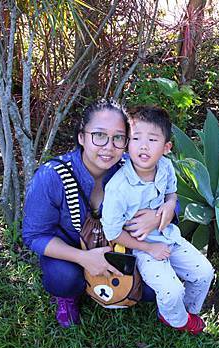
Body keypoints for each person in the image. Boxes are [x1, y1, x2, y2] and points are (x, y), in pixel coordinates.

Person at [22, 99, 178, 328]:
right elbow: (34, 236)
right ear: (82, 137)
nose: (108, 147)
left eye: (118, 138)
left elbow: (171, 199)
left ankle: (113, 284)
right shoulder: (51, 176)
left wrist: (159, 215)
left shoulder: (132, 167)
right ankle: (69, 296)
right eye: (99, 135)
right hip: (72, 252)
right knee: (63, 278)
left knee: (152, 291)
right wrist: (83, 258)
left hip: (120, 248)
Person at [101, 106, 215, 335]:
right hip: (140, 248)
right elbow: (112, 233)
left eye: (152, 139)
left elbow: (172, 193)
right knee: (172, 290)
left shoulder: (165, 167)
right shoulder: (118, 188)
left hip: (169, 235)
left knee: (205, 272)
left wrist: (170, 204)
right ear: (127, 144)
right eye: (136, 138)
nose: (143, 146)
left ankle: (187, 312)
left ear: (166, 148)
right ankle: (176, 319)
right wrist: (149, 248)